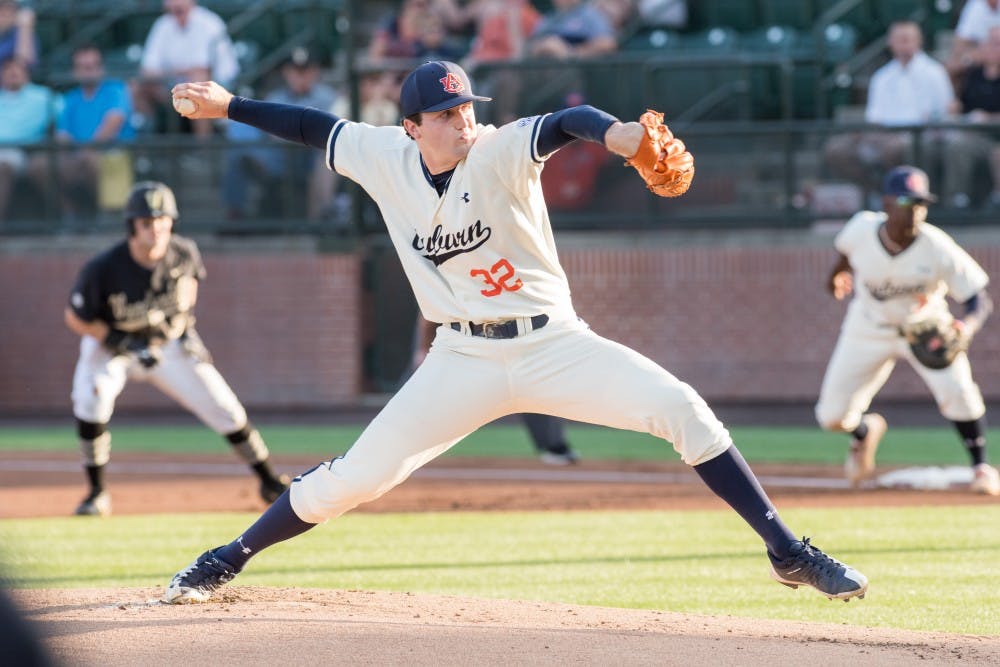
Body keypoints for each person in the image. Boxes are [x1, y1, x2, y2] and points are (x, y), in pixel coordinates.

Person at [162, 61, 869, 604]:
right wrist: (229, 105)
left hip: (552, 344)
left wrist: (620, 134)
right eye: (443, 112)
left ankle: (786, 550)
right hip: (461, 356)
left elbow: (566, 122)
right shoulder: (381, 153)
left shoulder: (497, 150)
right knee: (354, 479)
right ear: (411, 125)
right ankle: (227, 556)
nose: (461, 119)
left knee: (681, 407)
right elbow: (312, 126)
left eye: (465, 105)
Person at [63, 181, 290, 517]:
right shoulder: (105, 268)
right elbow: (75, 318)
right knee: (91, 398)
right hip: (113, 345)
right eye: (146, 223)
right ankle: (96, 493)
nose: (155, 229)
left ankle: (269, 480)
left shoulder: (183, 253)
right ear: (132, 227)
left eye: (162, 221)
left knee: (223, 405)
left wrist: (182, 328)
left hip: (165, 343)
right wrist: (119, 342)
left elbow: (190, 290)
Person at [815, 165, 999, 497]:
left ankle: (982, 467)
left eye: (920, 202)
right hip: (868, 328)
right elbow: (844, 254)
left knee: (960, 393)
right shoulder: (861, 229)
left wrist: (966, 327)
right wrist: (835, 277)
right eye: (904, 200)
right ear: (885, 202)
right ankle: (864, 431)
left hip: (924, 329)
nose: (913, 209)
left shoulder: (936, 246)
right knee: (831, 416)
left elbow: (978, 299)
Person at [411, 315, 580, 464]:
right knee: (431, 397)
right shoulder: (453, 285)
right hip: (465, 346)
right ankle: (410, 447)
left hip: (512, 344)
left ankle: (555, 447)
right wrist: (423, 348)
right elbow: (429, 315)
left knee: (534, 391)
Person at [824, 21, 954, 200]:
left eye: (908, 39)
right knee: (837, 149)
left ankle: (900, 196)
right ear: (890, 43)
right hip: (883, 134)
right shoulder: (882, 76)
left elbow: (945, 112)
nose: (904, 45)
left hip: (921, 136)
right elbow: (875, 117)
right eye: (899, 40)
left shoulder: (935, 72)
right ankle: (878, 192)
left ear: (918, 41)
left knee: (894, 149)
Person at [223, 47, 338, 222]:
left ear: (315, 72)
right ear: (286, 72)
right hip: (279, 158)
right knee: (239, 155)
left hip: (313, 156)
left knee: (323, 159)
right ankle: (236, 216)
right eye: (295, 71)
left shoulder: (328, 97)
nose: (300, 76)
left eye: (305, 71)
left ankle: (321, 220)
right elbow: (268, 134)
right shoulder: (275, 97)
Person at [48, 44, 134, 220]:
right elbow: (62, 134)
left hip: (112, 152)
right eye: (82, 67)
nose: (88, 71)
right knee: (42, 166)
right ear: (75, 70)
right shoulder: (71, 98)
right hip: (77, 155)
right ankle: (69, 213)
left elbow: (113, 123)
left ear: (101, 68)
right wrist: (74, 153)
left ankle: (108, 216)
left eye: (92, 66)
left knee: (93, 161)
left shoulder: (115, 90)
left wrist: (86, 151)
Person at [134, 0, 239, 137]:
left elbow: (201, 70)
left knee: (196, 85)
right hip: (172, 86)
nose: (174, 4)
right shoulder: (163, 24)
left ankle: (204, 149)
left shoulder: (208, 22)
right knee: (137, 85)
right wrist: (176, 73)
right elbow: (147, 69)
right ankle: (150, 144)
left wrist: (170, 73)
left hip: (216, 84)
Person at [946, 25, 1000, 209]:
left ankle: (996, 202)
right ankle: (957, 200)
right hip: (977, 137)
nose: (994, 48)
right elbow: (960, 103)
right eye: (991, 43)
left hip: (997, 139)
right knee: (958, 145)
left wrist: (989, 117)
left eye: (998, 44)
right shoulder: (972, 74)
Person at [0, 57, 58, 222]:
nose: (13, 73)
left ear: (26, 73)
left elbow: (64, 120)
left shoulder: (43, 96)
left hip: (23, 152)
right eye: (8, 69)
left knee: (2, 166)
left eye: (17, 68)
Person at [527, 0, 617, 60]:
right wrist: (547, 48)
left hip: (583, 75)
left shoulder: (590, 15)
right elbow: (532, 46)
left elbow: (607, 44)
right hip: (550, 75)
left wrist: (570, 53)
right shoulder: (548, 20)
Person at [947, 0, 1000, 82]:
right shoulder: (975, 5)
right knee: (953, 67)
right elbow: (960, 42)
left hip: (990, 53)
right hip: (980, 55)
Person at [0, 0, 36, 68]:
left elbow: (23, 66)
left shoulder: (23, 34)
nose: (3, 17)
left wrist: (25, 28)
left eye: (7, 13)